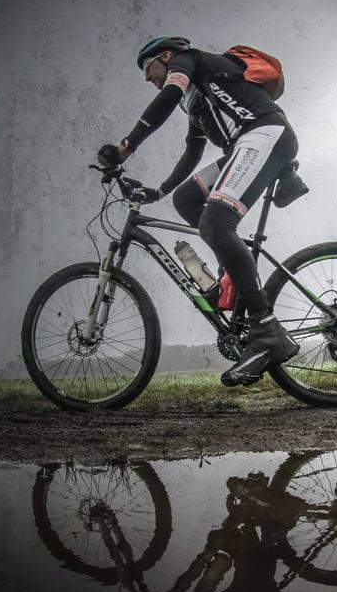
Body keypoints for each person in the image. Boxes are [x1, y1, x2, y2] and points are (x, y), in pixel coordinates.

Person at [97, 36, 302, 387]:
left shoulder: (188, 61)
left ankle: (267, 331)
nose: (148, 78)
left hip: (264, 136)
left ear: (165, 56)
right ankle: (233, 277)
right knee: (186, 200)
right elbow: (193, 152)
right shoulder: (196, 98)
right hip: (249, 143)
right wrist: (160, 190)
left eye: (148, 69)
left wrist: (125, 148)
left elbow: (166, 97)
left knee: (216, 223)